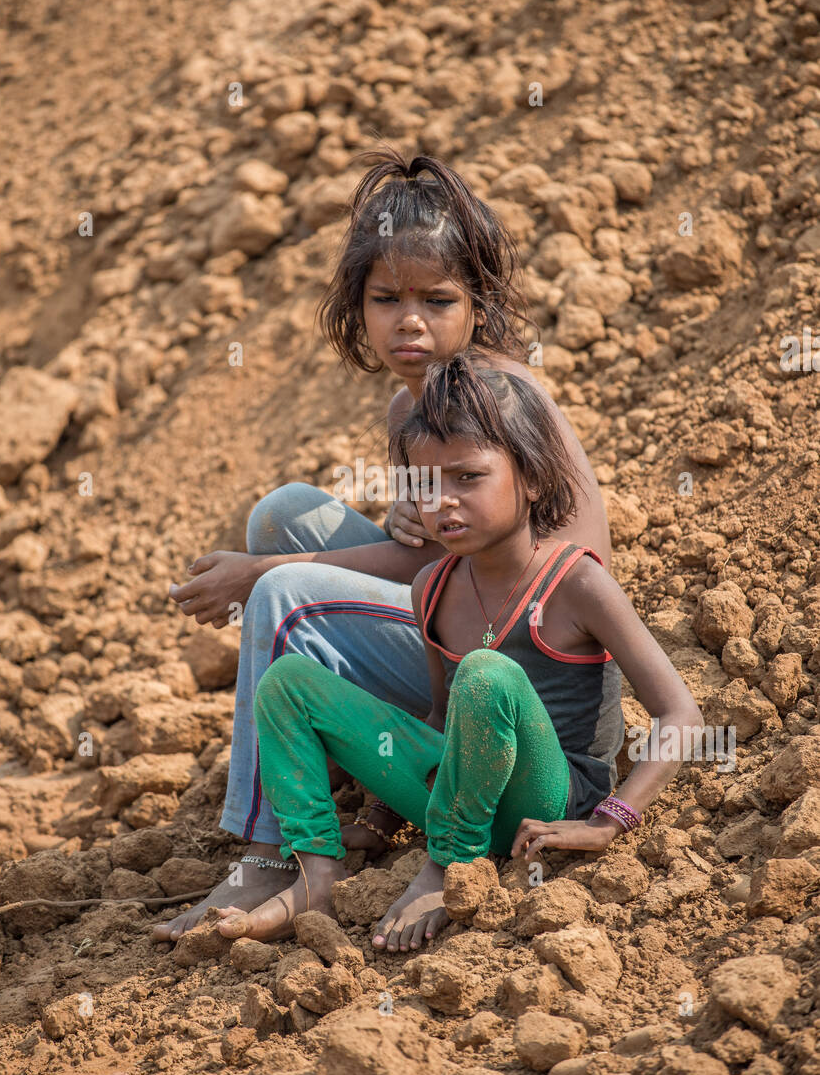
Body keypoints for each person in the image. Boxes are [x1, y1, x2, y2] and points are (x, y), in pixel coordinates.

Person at [153, 146, 612, 942]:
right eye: (385, 298)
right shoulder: (411, 415)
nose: (409, 322)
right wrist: (412, 528)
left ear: (477, 306)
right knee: (283, 512)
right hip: (452, 636)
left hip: (517, 671)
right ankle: (339, 768)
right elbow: (432, 563)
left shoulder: (510, 399)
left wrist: (264, 574)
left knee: (279, 590)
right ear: (354, 309)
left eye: (437, 300)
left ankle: (270, 850)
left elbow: (539, 565)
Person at [214, 355, 704, 950]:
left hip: (542, 804)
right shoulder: (432, 588)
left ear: (533, 479)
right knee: (289, 681)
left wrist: (610, 822)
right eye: (426, 484)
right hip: (456, 789)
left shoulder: (577, 582)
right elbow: (440, 722)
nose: (443, 503)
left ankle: (448, 865)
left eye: (469, 478)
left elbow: (682, 715)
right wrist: (378, 820)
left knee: (486, 673)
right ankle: (318, 869)